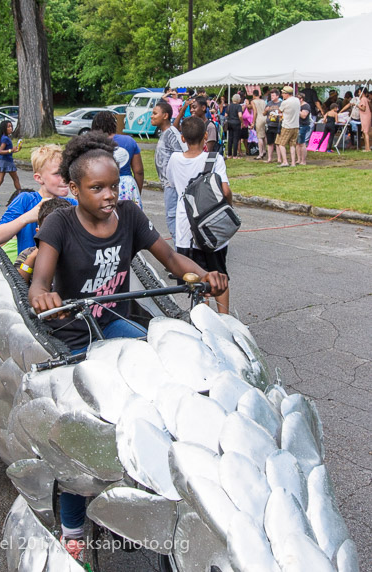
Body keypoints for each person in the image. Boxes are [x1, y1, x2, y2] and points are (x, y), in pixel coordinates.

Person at [29, 132, 228, 563]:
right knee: (80, 432)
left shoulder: (131, 216)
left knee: (165, 372)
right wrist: (44, 296)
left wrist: (205, 275)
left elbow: (175, 262)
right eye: (96, 188)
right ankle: (74, 528)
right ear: (74, 188)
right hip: (71, 335)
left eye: (114, 186)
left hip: (110, 324)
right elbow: (40, 283)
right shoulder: (58, 224)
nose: (108, 196)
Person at [166, 116, 231, 315]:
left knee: (196, 278)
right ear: (205, 136)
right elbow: (225, 191)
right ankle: (225, 317)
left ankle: (205, 320)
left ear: (183, 138)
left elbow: (171, 184)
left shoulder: (175, 159)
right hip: (210, 226)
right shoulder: (214, 159)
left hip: (186, 228)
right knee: (219, 275)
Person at [0, 144, 77, 255]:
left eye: (66, 172)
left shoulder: (72, 204)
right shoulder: (26, 200)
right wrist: (27, 217)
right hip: (27, 270)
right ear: (39, 178)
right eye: (57, 173)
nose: (65, 178)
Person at [150, 99, 187, 245]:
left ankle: (181, 255)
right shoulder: (165, 133)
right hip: (169, 184)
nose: (151, 116)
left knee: (172, 217)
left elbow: (182, 154)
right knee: (173, 217)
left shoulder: (171, 133)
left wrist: (174, 180)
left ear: (165, 116)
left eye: (155, 113)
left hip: (173, 185)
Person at [91, 110, 144, 207]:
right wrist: (136, 190)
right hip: (127, 186)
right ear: (114, 124)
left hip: (103, 185)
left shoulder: (93, 144)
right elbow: (138, 171)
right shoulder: (129, 141)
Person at [15, 197, 74, 284]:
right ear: (38, 233)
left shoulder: (79, 252)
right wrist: (32, 258)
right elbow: (17, 285)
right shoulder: (28, 254)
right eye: (51, 232)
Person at [0, 120, 22, 207]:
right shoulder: (5, 138)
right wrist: (10, 150)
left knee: (0, 180)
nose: (10, 128)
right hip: (6, 162)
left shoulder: (4, 137)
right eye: (8, 127)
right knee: (15, 179)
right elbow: (1, 151)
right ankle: (22, 196)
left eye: (11, 126)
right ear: (4, 128)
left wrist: (16, 150)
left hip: (3, 161)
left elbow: (9, 151)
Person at [278, 86, 300, 167]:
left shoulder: (285, 102)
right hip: (296, 125)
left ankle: (285, 161)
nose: (282, 95)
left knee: (281, 144)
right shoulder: (297, 100)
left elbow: (280, 110)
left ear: (287, 94)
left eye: (283, 93)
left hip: (287, 125)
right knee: (292, 144)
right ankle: (293, 162)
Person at [264, 89, 283, 164]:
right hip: (270, 124)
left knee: (278, 143)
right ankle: (269, 158)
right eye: (271, 95)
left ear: (278, 96)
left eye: (273, 95)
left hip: (278, 124)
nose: (272, 97)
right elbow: (264, 113)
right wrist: (266, 110)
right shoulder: (269, 103)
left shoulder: (281, 104)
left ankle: (279, 159)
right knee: (270, 142)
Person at [226, 94, 243, 159]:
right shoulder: (238, 106)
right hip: (236, 123)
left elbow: (226, 114)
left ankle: (229, 154)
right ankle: (235, 155)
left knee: (230, 138)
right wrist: (242, 122)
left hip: (229, 122)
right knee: (235, 138)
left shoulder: (229, 106)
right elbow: (240, 115)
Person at [296, 92, 311, 165]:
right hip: (297, 125)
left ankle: (303, 160)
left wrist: (297, 110)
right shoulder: (298, 105)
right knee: (297, 143)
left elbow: (304, 115)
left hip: (303, 125)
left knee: (302, 143)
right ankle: (298, 159)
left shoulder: (306, 106)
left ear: (301, 99)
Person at [252, 89, 267, 159]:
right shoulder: (263, 101)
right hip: (265, 117)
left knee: (259, 137)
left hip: (259, 118)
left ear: (253, 95)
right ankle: (264, 150)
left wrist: (253, 122)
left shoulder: (253, 101)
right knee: (264, 135)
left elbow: (255, 112)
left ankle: (260, 153)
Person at [358, 87, 371, 151]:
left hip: (365, 117)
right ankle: (366, 147)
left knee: (365, 132)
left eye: (359, 92)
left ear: (362, 92)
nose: (358, 93)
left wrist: (357, 105)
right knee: (364, 132)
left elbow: (363, 108)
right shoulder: (366, 99)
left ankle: (368, 148)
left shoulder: (363, 99)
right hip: (366, 116)